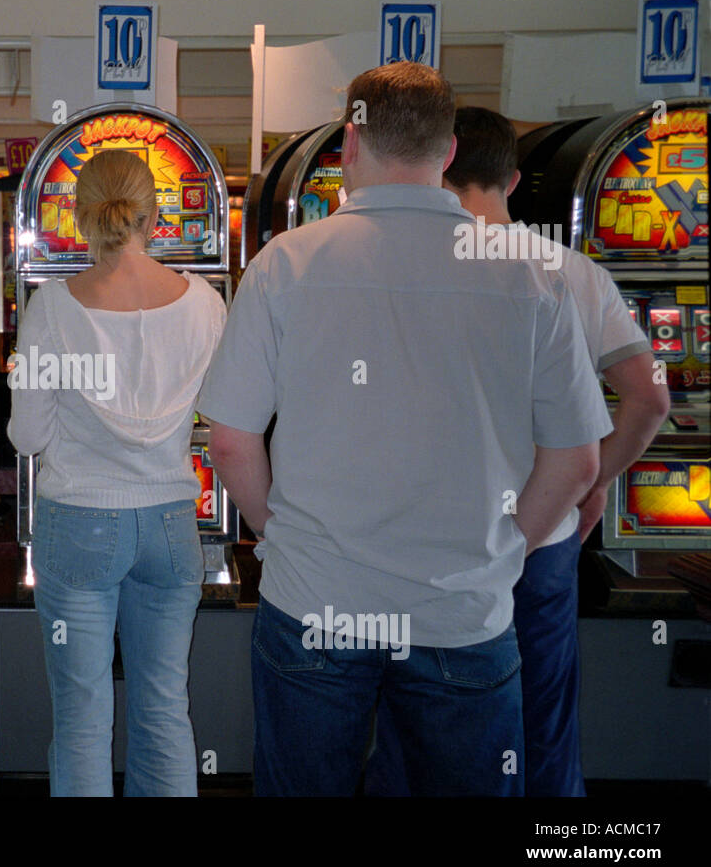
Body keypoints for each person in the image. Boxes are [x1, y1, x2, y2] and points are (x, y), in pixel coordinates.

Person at [199, 62, 612, 797]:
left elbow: (229, 440)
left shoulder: (284, 264)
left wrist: (278, 532)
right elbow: (578, 460)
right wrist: (508, 551)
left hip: (316, 602)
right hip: (462, 608)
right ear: (449, 152)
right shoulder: (531, 276)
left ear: (350, 142)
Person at [364, 106, 669, 797]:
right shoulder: (573, 273)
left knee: (415, 728)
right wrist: (590, 489)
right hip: (544, 536)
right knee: (543, 730)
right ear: (515, 177)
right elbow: (650, 401)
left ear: (440, 163)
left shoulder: (400, 271)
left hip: (427, 539)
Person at [8, 149, 227, 796]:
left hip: (79, 524)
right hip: (169, 524)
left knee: (81, 717)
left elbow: (27, 435)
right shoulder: (206, 303)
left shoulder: (52, 307)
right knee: (164, 709)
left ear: (79, 217)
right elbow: (220, 411)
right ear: (153, 215)